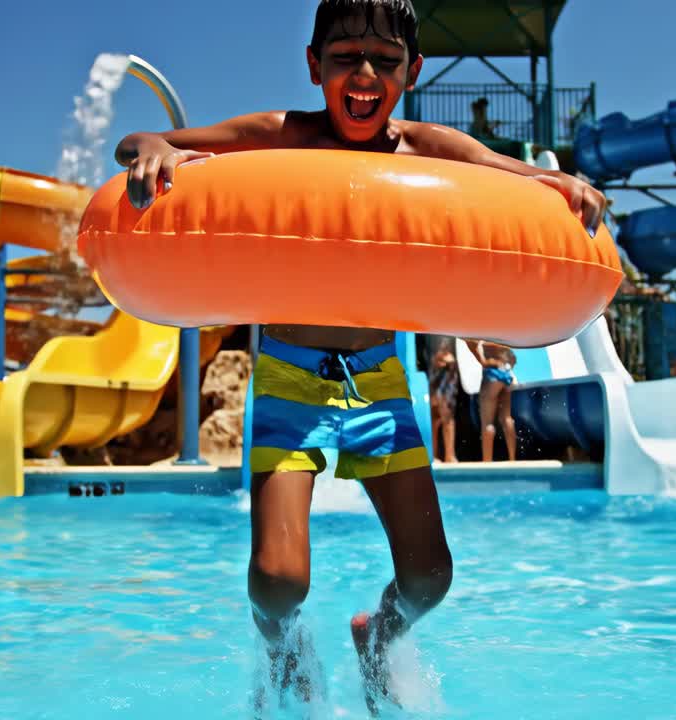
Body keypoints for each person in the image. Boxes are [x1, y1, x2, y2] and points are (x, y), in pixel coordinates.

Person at [113, 0, 609, 711]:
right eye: (346, 59)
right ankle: (284, 649)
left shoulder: (427, 146)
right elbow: (140, 141)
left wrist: (562, 185)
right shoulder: (284, 136)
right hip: (289, 375)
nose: (366, 76)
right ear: (314, 65)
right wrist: (151, 149)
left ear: (414, 70)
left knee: (429, 577)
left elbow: (513, 174)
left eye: (386, 60)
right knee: (277, 581)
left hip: (377, 382)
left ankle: (378, 635)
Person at [467, 339, 517, 462]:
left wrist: (483, 361)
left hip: (492, 373)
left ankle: (487, 462)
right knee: (507, 418)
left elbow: (469, 342)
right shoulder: (502, 330)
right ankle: (513, 459)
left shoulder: (484, 330)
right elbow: (513, 358)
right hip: (506, 372)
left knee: (487, 423)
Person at [426, 337, 459, 463]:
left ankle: (447, 455)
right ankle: (443, 455)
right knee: (440, 419)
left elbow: (443, 357)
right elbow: (439, 358)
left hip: (444, 378)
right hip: (439, 378)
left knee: (443, 418)